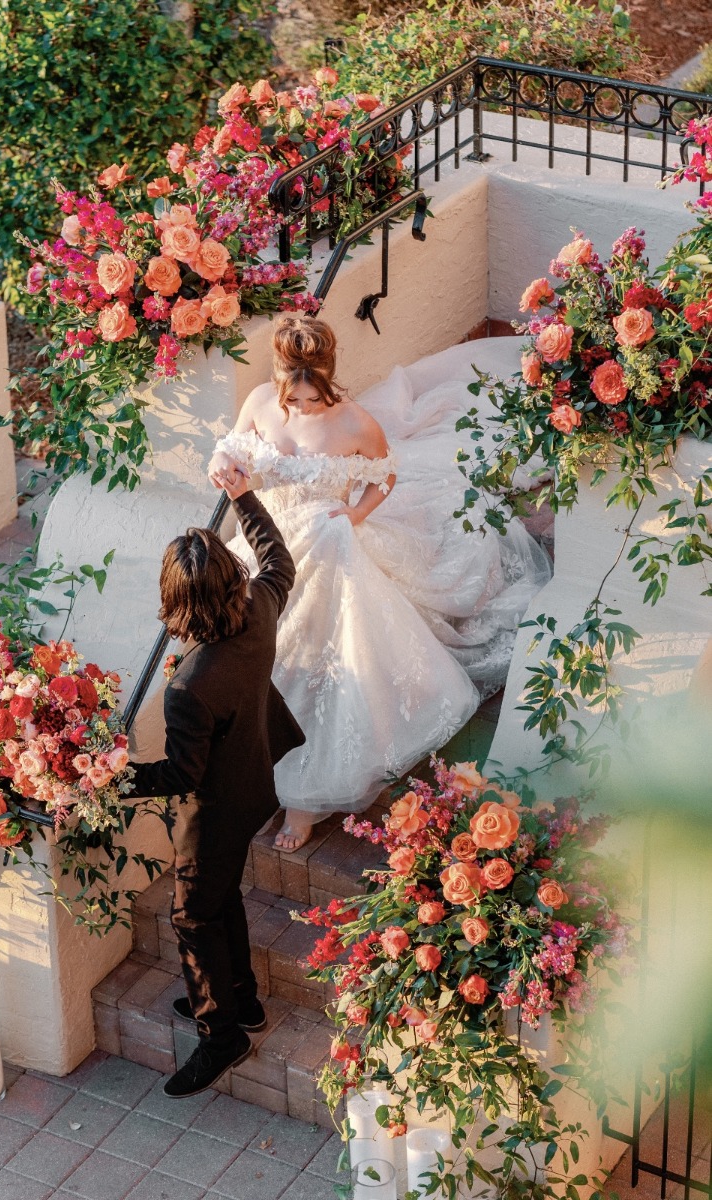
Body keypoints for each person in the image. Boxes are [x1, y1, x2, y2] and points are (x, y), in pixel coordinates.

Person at [209, 314, 551, 853]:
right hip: (266, 539)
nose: (298, 407)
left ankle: (303, 799)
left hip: (328, 547)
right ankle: (261, 776)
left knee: (324, 661)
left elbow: (385, 477)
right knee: (261, 659)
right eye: (291, 397)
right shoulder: (258, 402)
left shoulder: (355, 423)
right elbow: (230, 448)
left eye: (308, 397)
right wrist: (222, 467)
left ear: (326, 378)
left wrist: (356, 515)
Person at [126, 477, 304, 1098]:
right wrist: (243, 497)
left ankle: (220, 1035)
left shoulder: (188, 687)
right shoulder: (260, 605)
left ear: (176, 600)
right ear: (232, 575)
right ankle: (242, 1001)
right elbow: (278, 555)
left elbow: (180, 776)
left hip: (215, 812)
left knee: (193, 915)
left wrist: (109, 778)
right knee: (221, 897)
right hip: (256, 784)